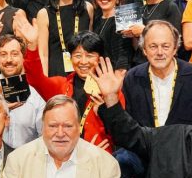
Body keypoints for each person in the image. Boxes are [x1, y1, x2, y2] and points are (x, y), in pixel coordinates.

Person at [15, 18, 121, 152]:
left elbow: (120, 130)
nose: (83, 61)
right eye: (77, 55)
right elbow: (35, 79)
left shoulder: (111, 90)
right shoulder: (61, 86)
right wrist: (32, 46)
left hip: (98, 156)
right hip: (65, 155)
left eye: (89, 56)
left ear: (99, 58)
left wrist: (106, 112)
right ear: (70, 58)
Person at [122, 21, 192, 129]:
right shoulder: (132, 78)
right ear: (144, 50)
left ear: (175, 48)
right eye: (153, 46)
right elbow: (127, 125)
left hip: (184, 144)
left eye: (165, 46)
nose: (159, 52)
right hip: (144, 145)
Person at [35, 0, 94, 77]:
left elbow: (90, 46)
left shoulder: (88, 8)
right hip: (56, 73)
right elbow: (43, 54)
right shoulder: (44, 14)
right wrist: (45, 81)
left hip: (83, 71)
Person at [125, 0, 185, 66]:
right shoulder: (139, 10)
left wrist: (144, 31)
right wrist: (131, 34)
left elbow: (176, 40)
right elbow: (137, 45)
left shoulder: (170, 7)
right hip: (139, 64)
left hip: (162, 65)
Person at [90, 0, 133, 76]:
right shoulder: (97, 19)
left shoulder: (122, 19)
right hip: (100, 78)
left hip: (114, 80)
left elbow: (123, 57)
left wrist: (116, 84)